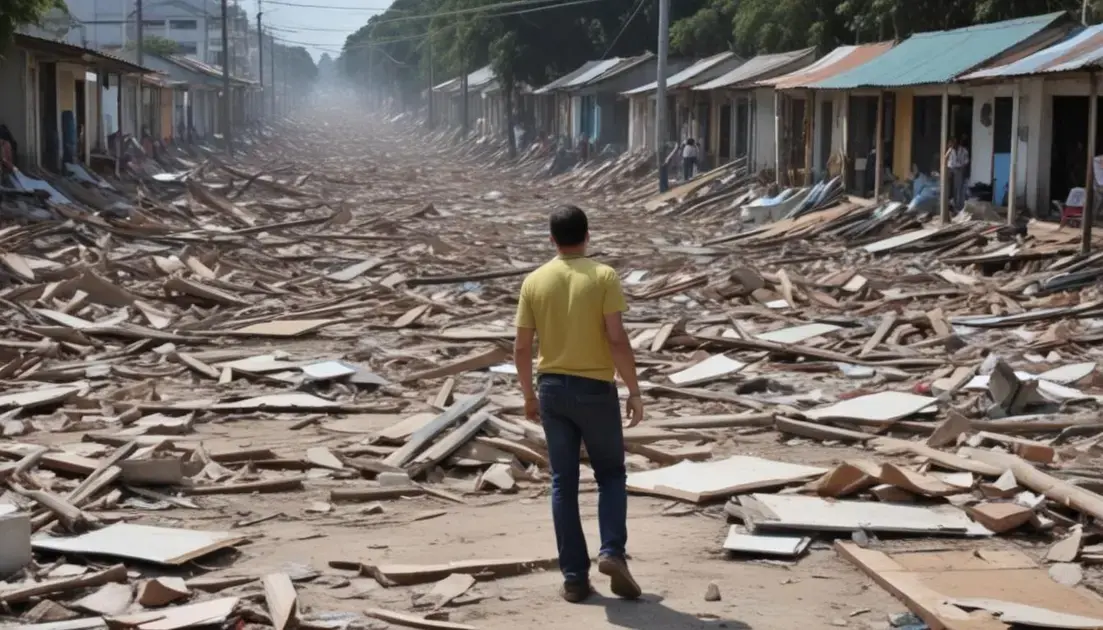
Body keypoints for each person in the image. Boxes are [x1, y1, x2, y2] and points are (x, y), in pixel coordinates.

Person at [514, 205, 645, 604]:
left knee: (563, 483)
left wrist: (528, 396)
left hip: (552, 388)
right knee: (610, 475)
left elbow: (521, 347)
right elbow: (617, 340)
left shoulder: (534, 281)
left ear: (551, 240)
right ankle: (611, 551)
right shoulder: (603, 276)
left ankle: (574, 577)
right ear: (588, 236)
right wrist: (634, 390)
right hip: (595, 388)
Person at [946, 136, 970, 211]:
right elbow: (948, 162)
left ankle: (959, 207)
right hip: (952, 170)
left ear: (955, 142)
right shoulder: (950, 151)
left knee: (958, 190)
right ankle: (953, 206)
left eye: (951, 143)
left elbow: (966, 161)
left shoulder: (963, 150)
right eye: (949, 144)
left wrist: (961, 168)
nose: (950, 145)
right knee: (951, 189)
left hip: (959, 171)